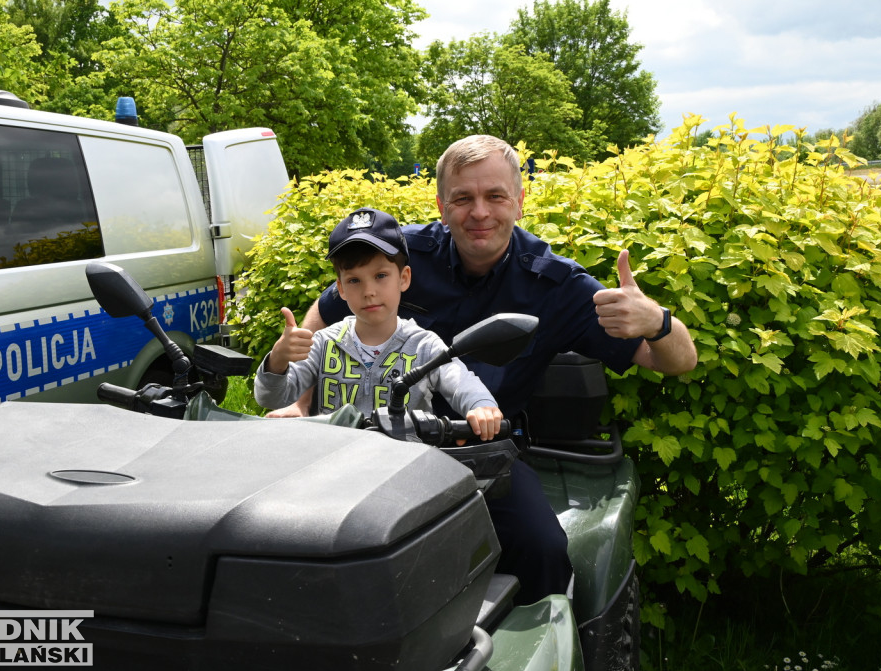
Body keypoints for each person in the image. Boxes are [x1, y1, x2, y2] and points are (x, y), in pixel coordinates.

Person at [270, 135, 698, 604]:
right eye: (462, 198)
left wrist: (658, 322)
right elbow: (326, 310)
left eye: (495, 196)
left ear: (519, 200)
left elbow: (675, 361)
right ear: (441, 204)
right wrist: (299, 399)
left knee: (544, 549)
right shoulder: (398, 257)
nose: (479, 212)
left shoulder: (557, 285)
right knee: (293, 542)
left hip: (480, 455)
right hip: (376, 448)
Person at [254, 207, 504, 441]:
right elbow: (271, 398)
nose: (369, 291)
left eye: (381, 276)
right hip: (331, 469)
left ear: (404, 278)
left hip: (403, 473)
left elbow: (460, 380)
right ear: (340, 288)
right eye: (354, 281)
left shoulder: (424, 345)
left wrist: (482, 406)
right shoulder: (324, 342)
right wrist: (277, 360)